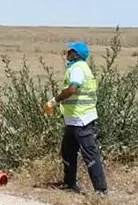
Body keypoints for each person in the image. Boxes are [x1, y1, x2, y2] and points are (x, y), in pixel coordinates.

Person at [45, 41, 109, 194]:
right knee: (67, 151)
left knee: (90, 154)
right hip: (74, 119)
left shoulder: (78, 69)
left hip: (82, 119)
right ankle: (69, 184)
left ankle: (101, 190)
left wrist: (54, 101)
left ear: (76, 54)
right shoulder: (79, 68)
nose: (67, 53)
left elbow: (72, 89)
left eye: (70, 51)